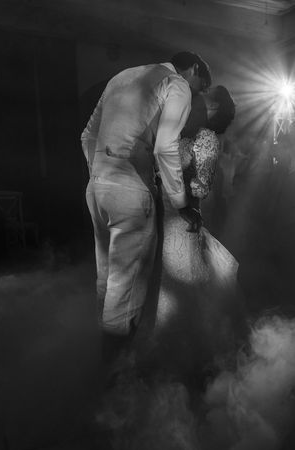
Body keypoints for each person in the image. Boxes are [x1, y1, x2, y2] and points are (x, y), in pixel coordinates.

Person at [81, 52, 211, 365]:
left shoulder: (122, 76)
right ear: (193, 68)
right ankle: (114, 379)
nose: (195, 94)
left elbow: (87, 135)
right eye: (200, 86)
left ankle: (97, 367)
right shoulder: (176, 83)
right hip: (129, 188)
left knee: (107, 281)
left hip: (96, 188)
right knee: (125, 290)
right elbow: (165, 146)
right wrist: (181, 204)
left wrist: (101, 171)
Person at [132, 85, 244, 385]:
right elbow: (195, 186)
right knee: (169, 291)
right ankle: (172, 364)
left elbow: (195, 185)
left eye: (205, 97)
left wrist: (169, 189)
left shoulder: (186, 136)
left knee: (166, 293)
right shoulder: (190, 134)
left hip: (166, 223)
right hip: (168, 221)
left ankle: (168, 364)